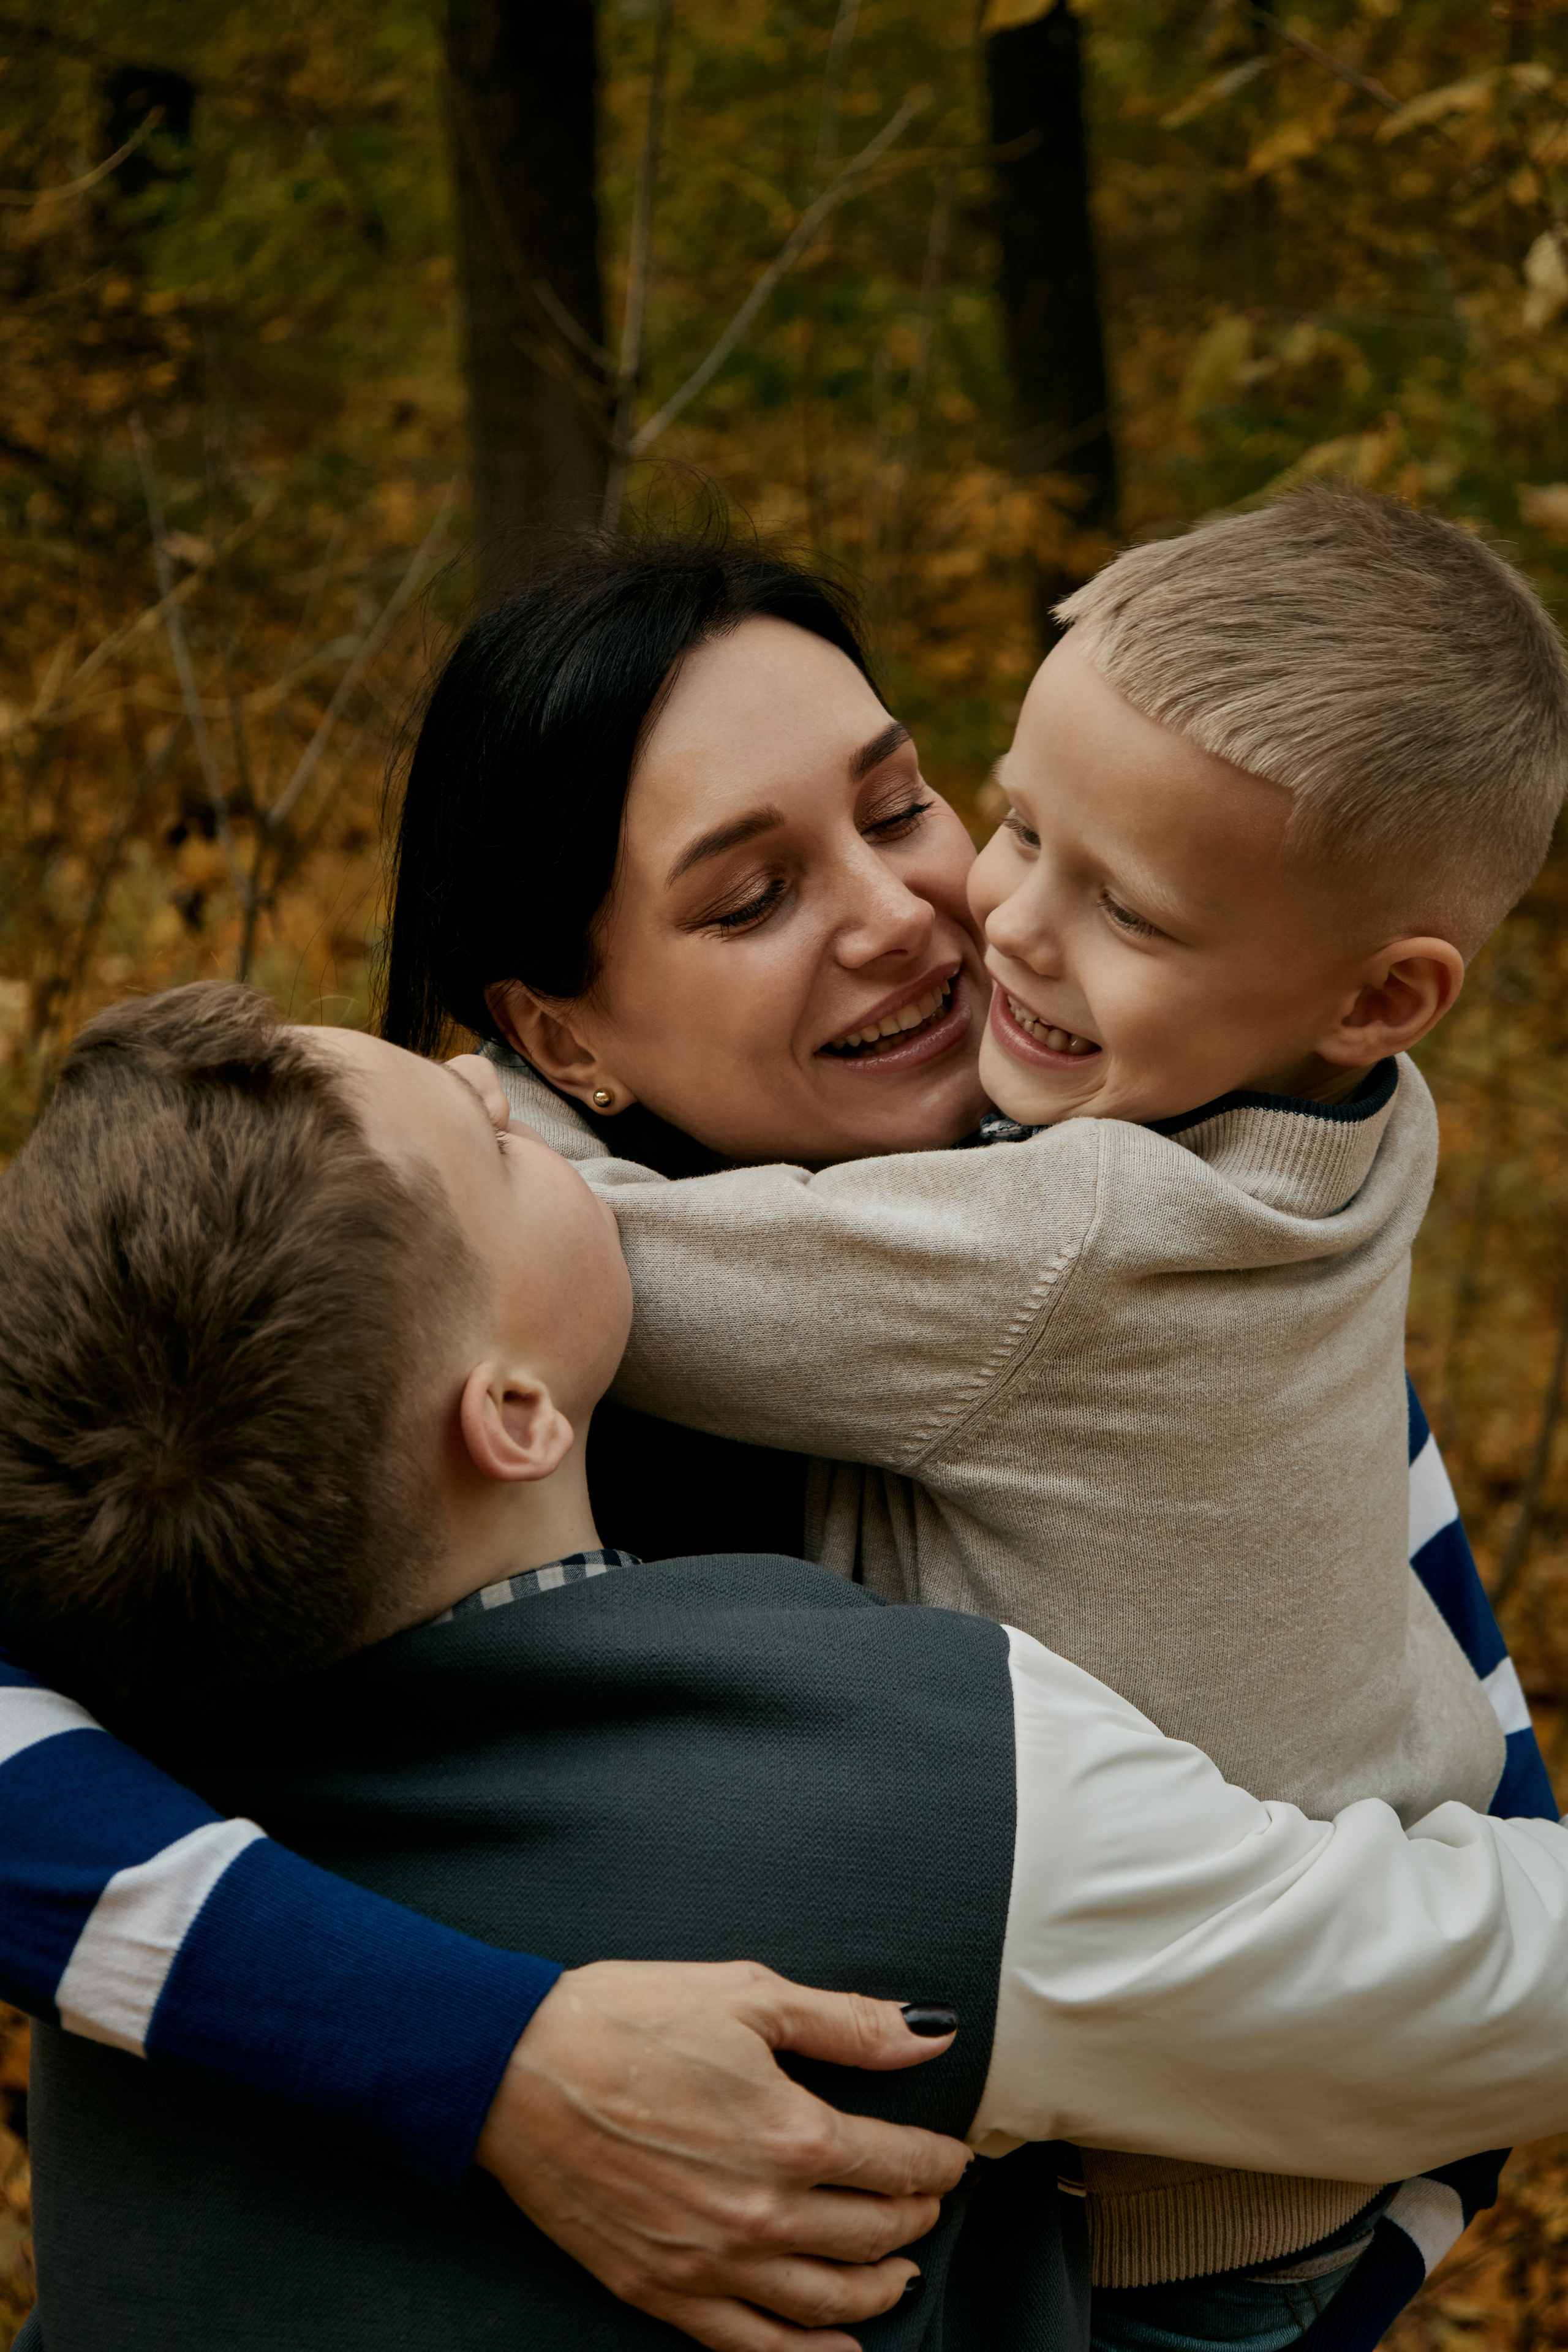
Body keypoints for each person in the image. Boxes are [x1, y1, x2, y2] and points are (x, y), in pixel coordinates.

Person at [0, 529, 1549, 2352]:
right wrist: (478, 2056)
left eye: (902, 806)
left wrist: (1391, 2233)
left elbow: (1463, 1801)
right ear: (549, 1038)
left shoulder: (1139, 1243)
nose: (920, 915)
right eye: (747, 900)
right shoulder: (341, 1421)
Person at [468, 492, 1568, 2334]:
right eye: (1016, 824)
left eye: (1122, 904)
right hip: (1322, 2112)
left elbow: (596, 1266)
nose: (983, 922)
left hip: (1158, 2217)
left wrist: (466, 1124)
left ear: (1385, 993)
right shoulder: (1336, 1131)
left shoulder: (1073, 1245)